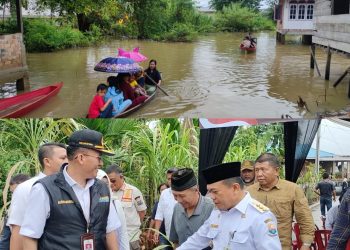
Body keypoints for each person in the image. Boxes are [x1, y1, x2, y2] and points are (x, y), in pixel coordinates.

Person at [20, 129, 120, 250]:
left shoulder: (102, 188)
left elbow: (110, 231)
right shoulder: (44, 189)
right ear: (81, 158)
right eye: (99, 158)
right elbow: (30, 237)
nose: (101, 163)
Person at [178, 162, 282, 250]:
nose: (211, 197)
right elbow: (197, 240)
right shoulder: (217, 212)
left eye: (214, 191)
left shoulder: (260, 217)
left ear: (235, 188)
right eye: (209, 191)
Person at [247, 153, 314, 250]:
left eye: (263, 169)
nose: (259, 174)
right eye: (256, 170)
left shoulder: (292, 189)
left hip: (281, 246)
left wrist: (306, 244)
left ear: (276, 171)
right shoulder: (248, 192)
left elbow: (305, 219)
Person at [7, 143, 67, 250]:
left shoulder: (74, 186)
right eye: (63, 158)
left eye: (69, 157)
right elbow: (18, 230)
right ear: (47, 161)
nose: (68, 161)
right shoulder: (26, 188)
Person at [169, 168, 214, 247]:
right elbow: (175, 241)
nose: (178, 200)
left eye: (182, 196)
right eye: (175, 195)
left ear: (196, 190)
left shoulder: (212, 209)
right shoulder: (177, 208)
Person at [106, 165, 147, 250]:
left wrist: (134, 227)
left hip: (131, 237)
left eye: (113, 181)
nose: (111, 184)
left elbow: (142, 212)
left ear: (121, 177)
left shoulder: (133, 191)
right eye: (109, 181)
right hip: (113, 239)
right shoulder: (107, 193)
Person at [97, 169, 129, 250]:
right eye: (101, 183)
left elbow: (122, 232)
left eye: (106, 183)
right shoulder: (87, 204)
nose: (104, 187)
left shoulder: (114, 203)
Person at [0, 174, 29, 250]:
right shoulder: (10, 212)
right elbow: (4, 241)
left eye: (17, 192)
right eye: (13, 193)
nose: (15, 196)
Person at [153, 168, 178, 248]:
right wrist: (156, 231)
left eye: (172, 178)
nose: (170, 181)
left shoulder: (184, 192)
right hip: (167, 234)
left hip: (181, 234)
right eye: (169, 179)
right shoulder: (164, 193)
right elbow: (159, 214)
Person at [147, 183, 168, 248]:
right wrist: (149, 231)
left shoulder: (175, 201)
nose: (163, 191)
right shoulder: (157, 204)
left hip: (173, 233)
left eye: (165, 189)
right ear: (159, 192)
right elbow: (153, 218)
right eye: (161, 190)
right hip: (162, 234)